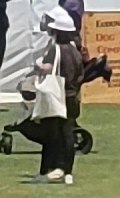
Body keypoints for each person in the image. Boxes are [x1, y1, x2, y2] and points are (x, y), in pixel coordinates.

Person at [21, 53, 78, 183]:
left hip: (56, 97)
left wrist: (39, 65)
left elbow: (49, 67)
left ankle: (46, 171)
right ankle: (67, 172)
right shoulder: (73, 50)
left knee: (50, 135)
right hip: (71, 95)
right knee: (67, 134)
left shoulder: (56, 48)